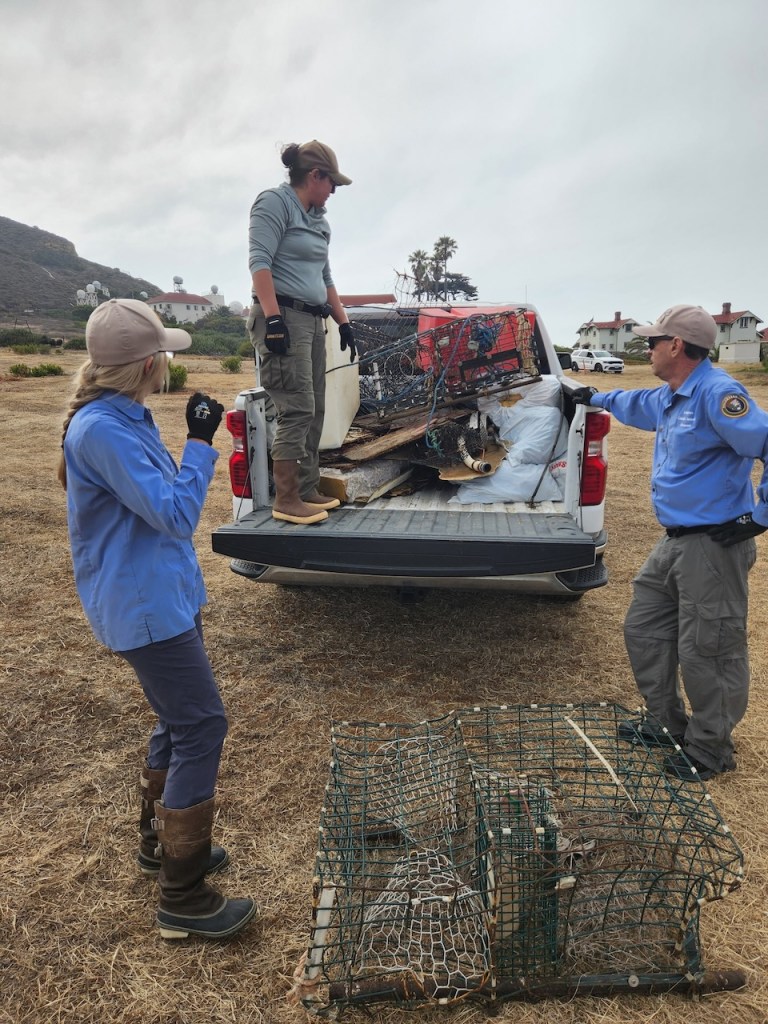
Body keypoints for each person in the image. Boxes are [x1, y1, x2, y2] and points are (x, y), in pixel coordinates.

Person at [58, 297, 256, 940]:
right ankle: (184, 896)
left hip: (161, 596)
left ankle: (160, 843)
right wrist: (201, 442)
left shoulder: (123, 415)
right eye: (165, 351)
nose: (170, 360)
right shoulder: (104, 430)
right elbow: (173, 513)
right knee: (202, 725)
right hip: (146, 607)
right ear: (149, 362)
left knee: (178, 720)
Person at [573, 303, 768, 782]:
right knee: (645, 627)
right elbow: (634, 405)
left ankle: (710, 748)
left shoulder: (719, 394)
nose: (647, 348)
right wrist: (591, 397)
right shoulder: (672, 395)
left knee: (710, 646)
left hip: (714, 543)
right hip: (676, 540)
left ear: (676, 346)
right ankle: (667, 723)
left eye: (653, 341)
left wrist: (760, 516)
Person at [247, 139, 357, 525]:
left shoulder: (319, 221)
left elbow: (325, 277)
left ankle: (307, 488)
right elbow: (259, 262)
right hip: (284, 317)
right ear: (315, 176)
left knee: (316, 409)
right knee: (296, 408)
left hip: (313, 320)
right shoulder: (274, 203)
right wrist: (274, 319)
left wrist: (343, 322)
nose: (334, 192)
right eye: (332, 184)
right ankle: (288, 498)